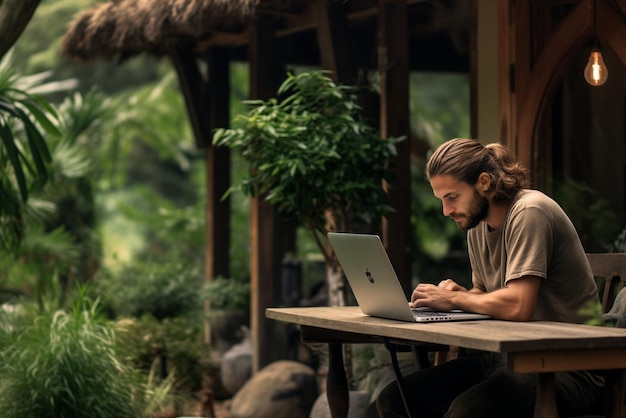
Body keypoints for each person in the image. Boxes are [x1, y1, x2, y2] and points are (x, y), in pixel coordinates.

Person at [376, 138, 603, 418]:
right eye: (442, 200)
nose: (446, 211)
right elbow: (486, 297)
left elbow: (518, 305)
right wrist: (459, 298)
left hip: (566, 366)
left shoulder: (530, 211)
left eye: (452, 197)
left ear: (483, 182)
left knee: (467, 410)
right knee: (395, 400)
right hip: (506, 359)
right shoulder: (477, 224)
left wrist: (454, 298)